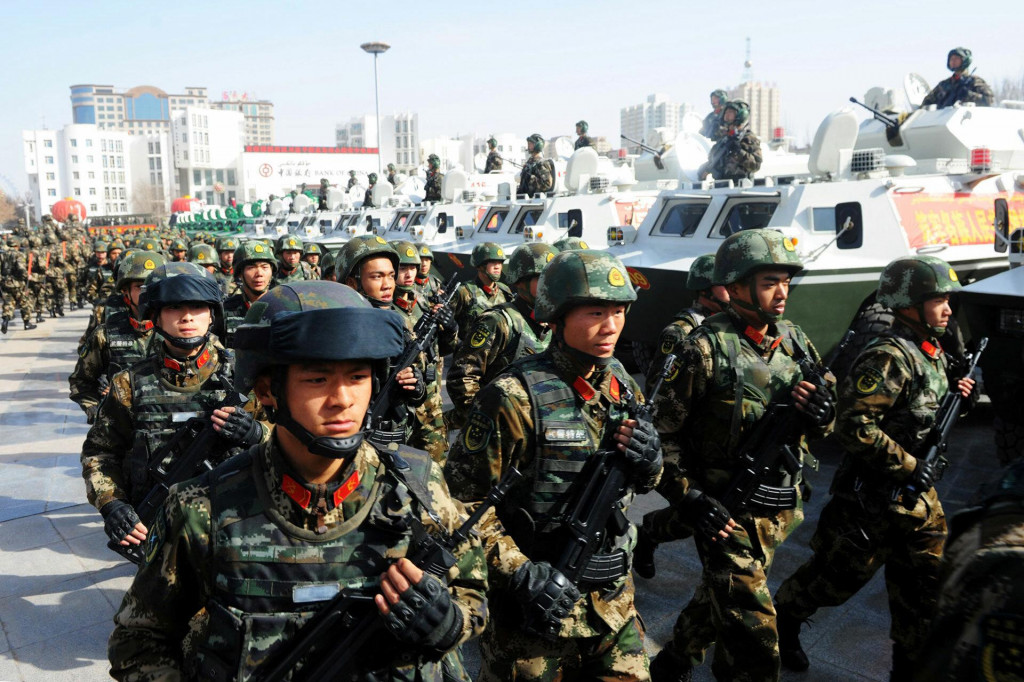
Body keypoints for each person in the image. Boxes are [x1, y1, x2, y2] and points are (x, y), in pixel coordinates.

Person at [107, 280, 489, 681]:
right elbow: (139, 640)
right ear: (267, 390)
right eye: (317, 380)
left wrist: (450, 623)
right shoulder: (202, 508)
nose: (343, 399)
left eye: (357, 377)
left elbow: (472, 589)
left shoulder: (416, 484)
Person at [444, 249, 660, 680]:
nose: (612, 325)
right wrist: (520, 572)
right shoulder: (512, 395)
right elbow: (462, 505)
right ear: (557, 316)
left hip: (611, 604)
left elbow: (643, 479)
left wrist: (649, 462)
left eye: (619, 311)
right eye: (597, 311)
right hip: (534, 614)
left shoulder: (619, 381)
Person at [646, 229, 835, 682]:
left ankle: (675, 658)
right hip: (725, 511)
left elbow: (824, 418)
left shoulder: (793, 339)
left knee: (722, 596)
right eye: (770, 281)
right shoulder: (704, 348)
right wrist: (690, 499)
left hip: (780, 507)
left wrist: (825, 413)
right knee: (754, 639)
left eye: (786, 280)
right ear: (735, 286)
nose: (782, 291)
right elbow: (660, 438)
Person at [773, 255, 975, 680]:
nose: (948, 309)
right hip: (871, 501)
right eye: (938, 300)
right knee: (832, 582)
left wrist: (960, 396)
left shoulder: (932, 350)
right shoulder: (887, 356)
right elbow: (852, 425)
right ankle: (784, 622)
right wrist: (906, 466)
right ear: (908, 303)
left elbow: (924, 409)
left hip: (920, 501)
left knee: (922, 593)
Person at [80, 262, 266, 554]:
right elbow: (100, 453)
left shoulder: (244, 376)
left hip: (239, 527)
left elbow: (293, 442)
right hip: (161, 531)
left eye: (198, 306)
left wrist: (258, 433)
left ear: (212, 314)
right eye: (174, 307)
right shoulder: (129, 385)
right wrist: (112, 503)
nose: (188, 317)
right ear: (155, 315)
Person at [634, 253, 729, 577]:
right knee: (703, 512)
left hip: (712, 436)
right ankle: (648, 533)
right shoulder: (680, 333)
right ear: (705, 290)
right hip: (685, 437)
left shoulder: (726, 327)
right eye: (722, 284)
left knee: (706, 514)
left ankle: (648, 532)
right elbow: (662, 391)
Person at [447, 242, 555, 430]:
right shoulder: (498, 321)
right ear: (521, 280)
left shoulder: (556, 321)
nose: (552, 285)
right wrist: (485, 418)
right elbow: (462, 376)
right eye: (542, 278)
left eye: (554, 278)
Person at [69, 251, 166, 423]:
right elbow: (81, 382)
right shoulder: (105, 335)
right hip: (122, 433)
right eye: (140, 286)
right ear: (125, 291)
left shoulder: (182, 330)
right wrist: (98, 410)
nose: (148, 291)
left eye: (154, 284)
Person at [389, 240, 459, 464]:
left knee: (436, 471)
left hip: (431, 406)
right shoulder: (383, 309)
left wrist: (451, 330)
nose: (409, 274)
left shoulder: (424, 304)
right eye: (402, 268)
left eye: (412, 267)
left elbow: (441, 350)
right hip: (398, 409)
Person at [450, 241, 513, 335]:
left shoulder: (505, 291)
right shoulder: (464, 292)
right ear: (480, 265)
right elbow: (448, 326)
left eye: (500, 262)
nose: (497, 267)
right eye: (492, 262)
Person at [223, 241, 279, 339]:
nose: (259, 273)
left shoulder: (282, 307)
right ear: (240, 273)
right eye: (251, 267)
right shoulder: (226, 309)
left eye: (265, 267)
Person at [698, 100, 762, 183]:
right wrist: (706, 168)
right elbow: (714, 161)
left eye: (731, 112)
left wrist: (738, 151)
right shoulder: (723, 139)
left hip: (740, 187)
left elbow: (755, 166)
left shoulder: (748, 138)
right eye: (726, 112)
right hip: (721, 186)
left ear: (741, 115)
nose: (726, 115)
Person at [920, 47, 994, 109]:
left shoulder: (975, 81)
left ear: (964, 60)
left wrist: (968, 95)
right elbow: (927, 102)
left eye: (956, 58)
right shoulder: (944, 84)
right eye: (951, 59)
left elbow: (989, 100)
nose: (953, 61)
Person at [1, 236, 37, 332]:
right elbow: (21, 268)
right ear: (16, 245)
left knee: (8, 302)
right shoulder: (18, 255)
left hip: (5, 283)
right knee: (24, 302)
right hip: (17, 283)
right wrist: (27, 276)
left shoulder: (2, 255)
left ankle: (5, 319)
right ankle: (27, 323)